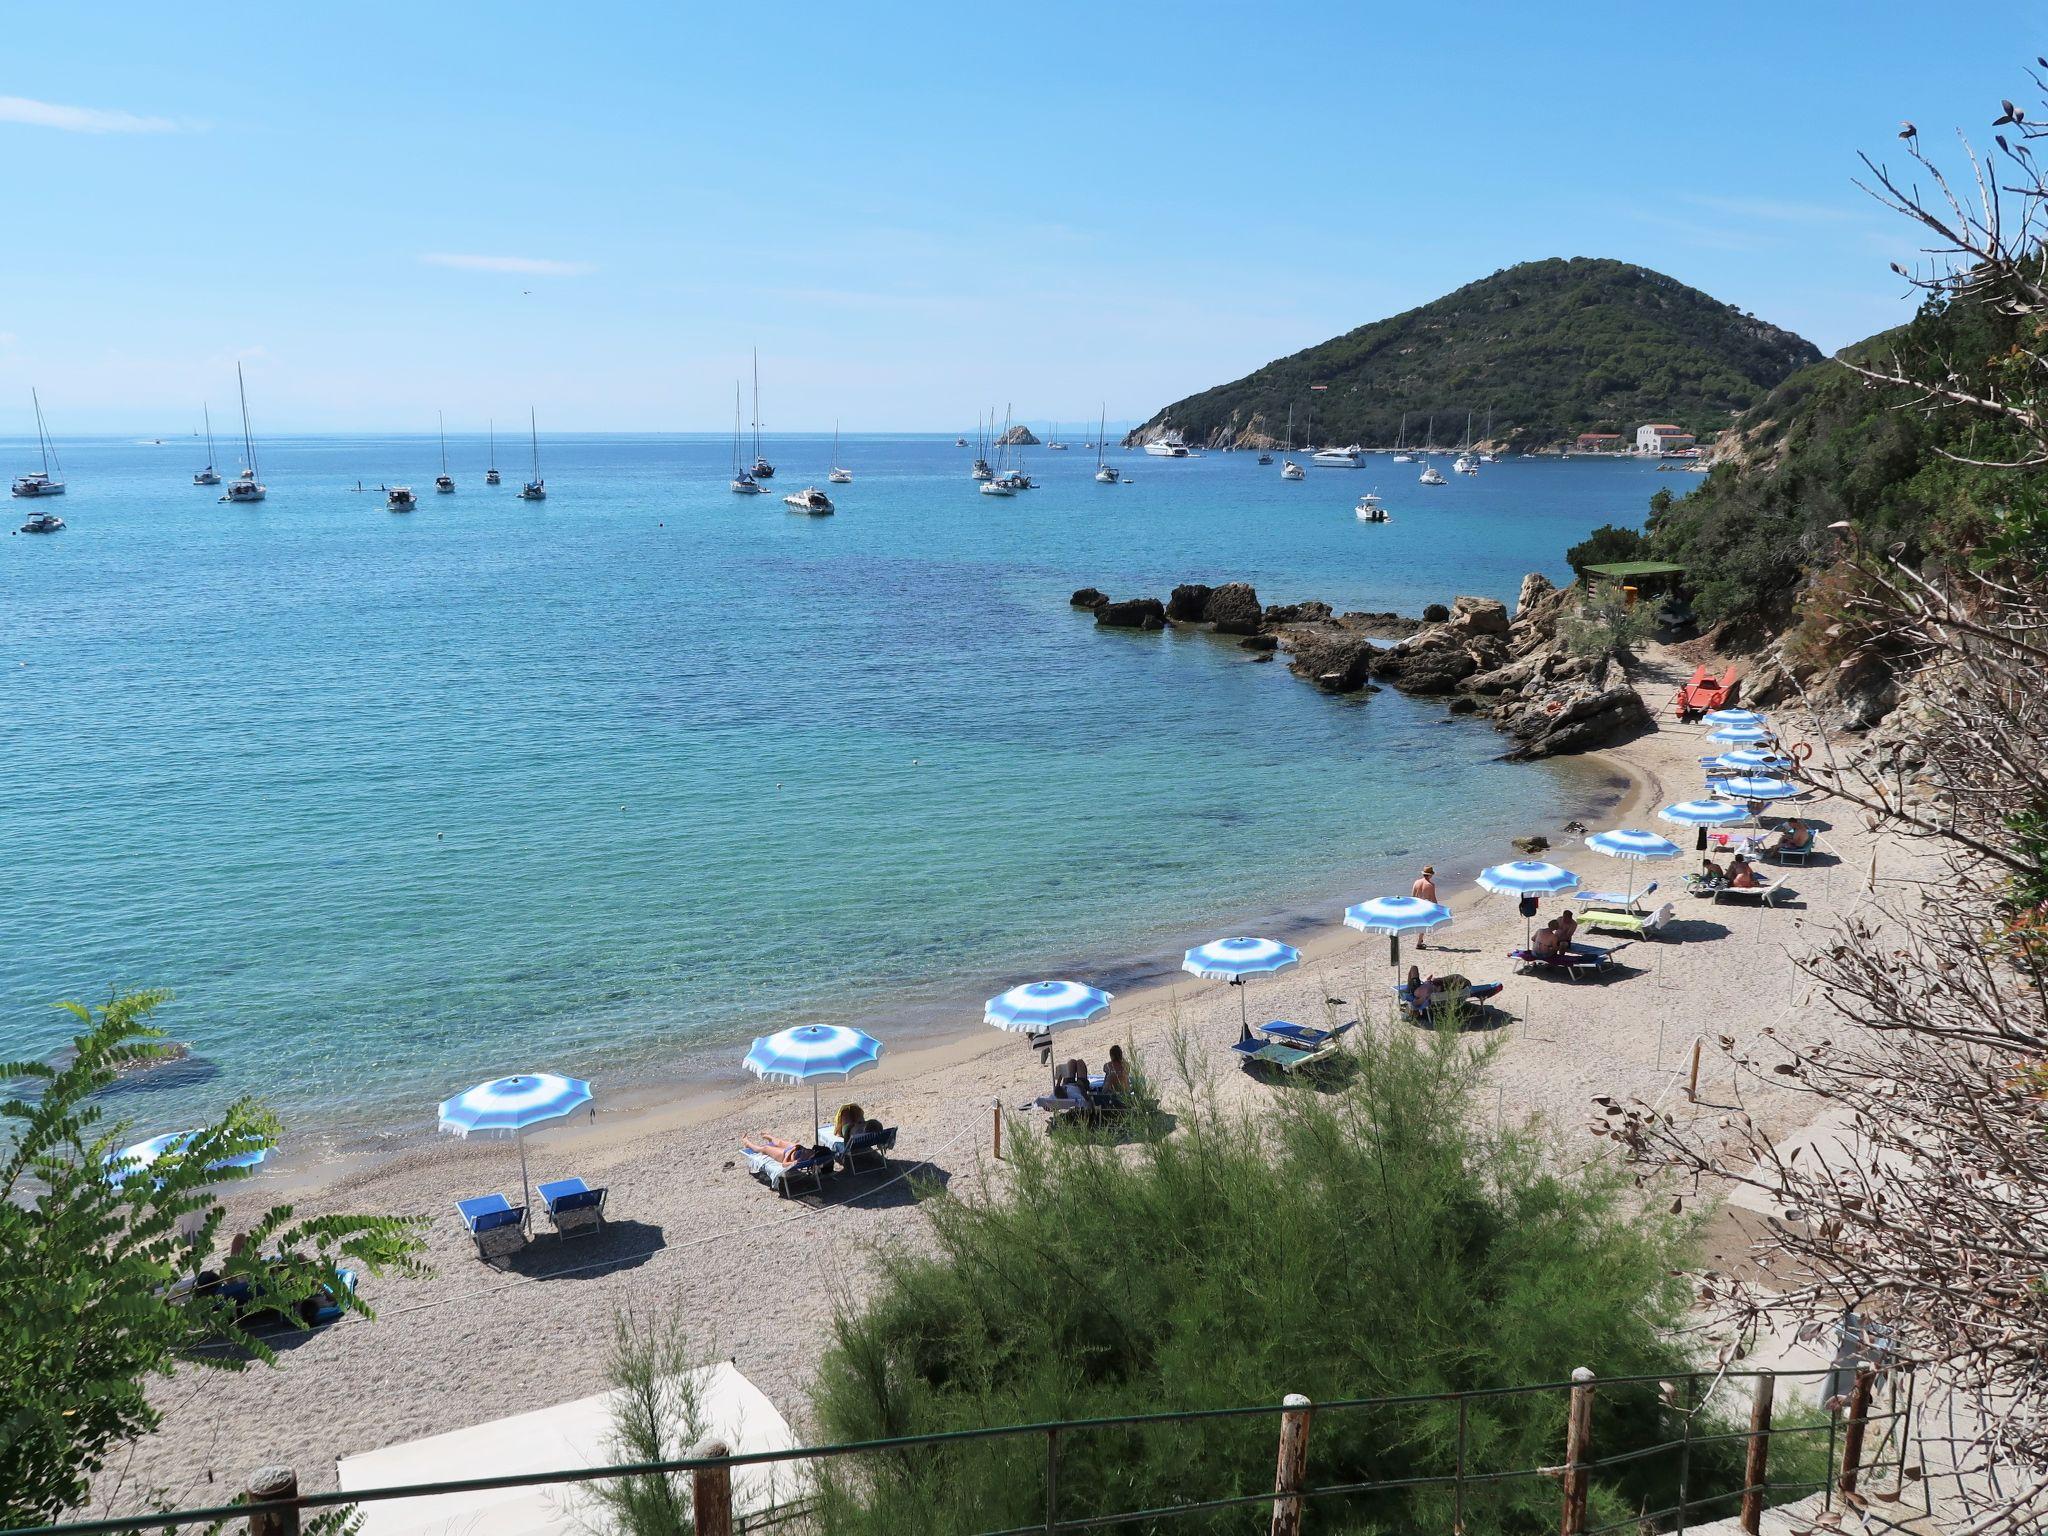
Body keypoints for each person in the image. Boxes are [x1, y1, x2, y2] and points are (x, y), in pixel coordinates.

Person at [1412, 865, 1438, 947]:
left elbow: (1413, 896)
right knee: (1424, 924)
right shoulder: (1430, 885)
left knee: (1420, 923)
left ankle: (1420, 940)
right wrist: (1437, 908)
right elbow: (1433, 898)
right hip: (1425, 905)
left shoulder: (1416, 882)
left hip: (1416, 904)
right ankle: (1419, 942)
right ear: (1430, 875)